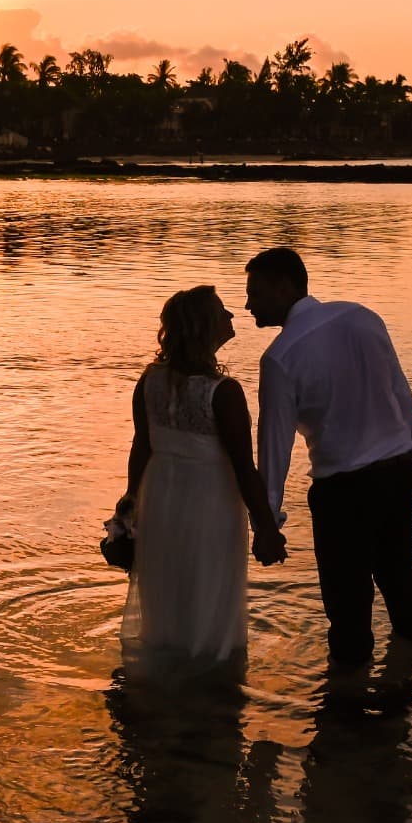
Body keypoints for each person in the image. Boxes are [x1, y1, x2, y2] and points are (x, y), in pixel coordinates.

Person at [244, 247, 412, 667]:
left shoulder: (280, 357)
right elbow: (400, 392)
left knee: (347, 607)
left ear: (285, 287)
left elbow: (275, 446)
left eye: (255, 293)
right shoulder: (362, 317)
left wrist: (267, 524)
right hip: (396, 479)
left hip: (342, 493)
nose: (247, 305)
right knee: (403, 584)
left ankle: (348, 696)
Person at [118, 285, 286, 670]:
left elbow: (142, 447)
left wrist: (130, 503)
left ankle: (165, 669)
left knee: (168, 584)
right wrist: (266, 527)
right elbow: (244, 468)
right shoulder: (223, 392)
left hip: (160, 497)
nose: (231, 316)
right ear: (205, 325)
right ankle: (211, 671)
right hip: (209, 503)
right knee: (208, 586)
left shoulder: (149, 381)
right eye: (222, 311)